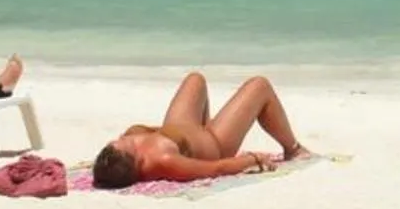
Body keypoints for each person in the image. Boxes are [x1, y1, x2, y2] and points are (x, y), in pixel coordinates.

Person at [91, 71, 309, 189]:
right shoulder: (163, 161)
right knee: (259, 86)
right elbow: (214, 169)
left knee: (195, 79)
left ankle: (211, 122)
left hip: (181, 127)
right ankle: (293, 148)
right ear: (138, 162)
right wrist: (252, 160)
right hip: (216, 142)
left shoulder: (129, 144)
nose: (119, 138)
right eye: (123, 143)